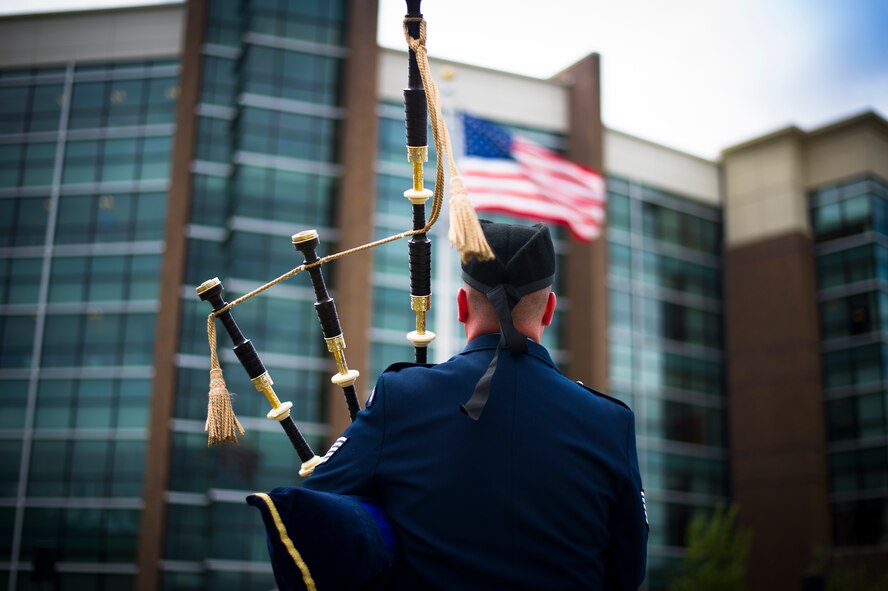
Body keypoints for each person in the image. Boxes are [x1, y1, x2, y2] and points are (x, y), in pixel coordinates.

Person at [304, 221, 648, 590]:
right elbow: (627, 570)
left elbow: (315, 515)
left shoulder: (401, 396)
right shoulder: (611, 422)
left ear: (461, 305)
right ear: (549, 310)